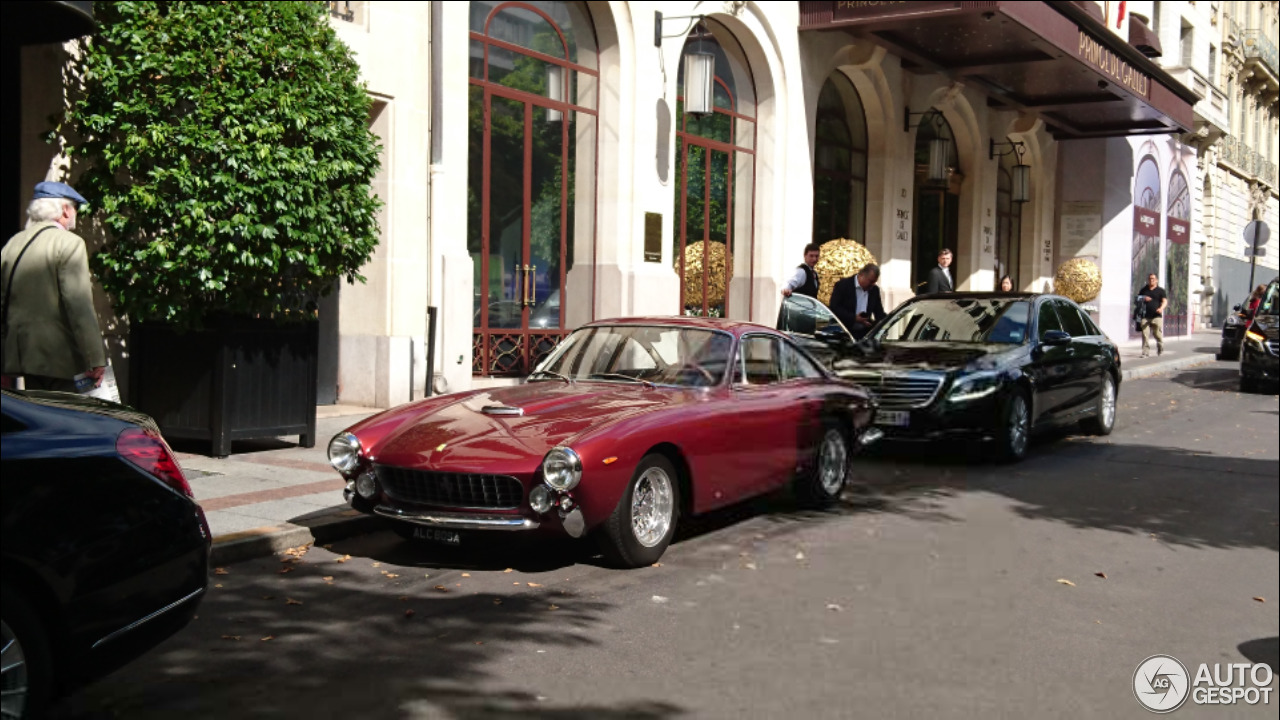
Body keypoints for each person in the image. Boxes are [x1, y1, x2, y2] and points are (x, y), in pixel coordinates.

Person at [1, 181, 106, 392]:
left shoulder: (13, 243)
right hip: (61, 358)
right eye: (75, 207)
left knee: (40, 419)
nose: (76, 213)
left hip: (23, 356)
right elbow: (79, 304)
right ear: (65, 210)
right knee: (68, 420)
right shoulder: (69, 242)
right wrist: (95, 357)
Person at [829, 263, 886, 340]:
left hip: (864, 334)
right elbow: (834, 307)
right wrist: (854, 318)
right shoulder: (843, 285)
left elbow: (879, 312)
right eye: (871, 281)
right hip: (844, 333)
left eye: (874, 282)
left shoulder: (874, 290)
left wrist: (887, 323)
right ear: (861, 275)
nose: (872, 284)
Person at [1136, 272, 1167, 358]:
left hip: (1156, 316)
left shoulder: (1160, 291)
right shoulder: (1144, 290)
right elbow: (1137, 299)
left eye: (1153, 279)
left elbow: (1165, 301)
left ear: (1156, 280)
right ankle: (1145, 352)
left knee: (1157, 334)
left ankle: (1160, 348)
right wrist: (1143, 298)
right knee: (1145, 334)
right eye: (1150, 279)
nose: (1151, 280)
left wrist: (1161, 308)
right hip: (1145, 316)